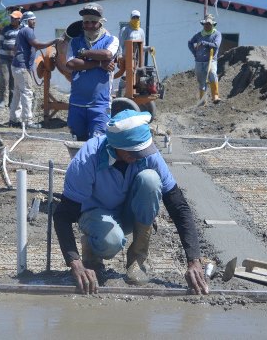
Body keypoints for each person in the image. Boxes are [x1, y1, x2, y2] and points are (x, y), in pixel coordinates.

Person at [53, 109, 209, 295]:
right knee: (111, 242)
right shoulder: (87, 160)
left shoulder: (148, 155)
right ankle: (92, 256)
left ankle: (137, 261)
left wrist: (194, 261)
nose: (142, 156)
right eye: (135, 152)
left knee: (150, 179)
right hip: (95, 215)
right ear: (116, 147)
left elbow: (179, 206)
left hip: (129, 214)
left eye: (144, 150)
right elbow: (62, 216)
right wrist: (75, 264)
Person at [65, 3, 119, 141]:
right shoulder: (75, 42)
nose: (89, 25)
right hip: (77, 103)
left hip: (100, 104)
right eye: (86, 22)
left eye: (93, 22)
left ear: (100, 23)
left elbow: (107, 55)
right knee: (79, 143)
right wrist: (99, 64)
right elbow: (71, 63)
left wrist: (83, 53)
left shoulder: (111, 40)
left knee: (98, 144)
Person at [9, 11, 60, 129]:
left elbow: (16, 48)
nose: (35, 21)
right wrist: (53, 41)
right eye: (32, 19)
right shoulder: (27, 30)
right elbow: (36, 44)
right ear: (27, 21)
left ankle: (13, 119)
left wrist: (30, 51)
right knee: (27, 93)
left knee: (17, 93)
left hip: (16, 66)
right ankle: (28, 121)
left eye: (35, 19)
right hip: (22, 67)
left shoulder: (21, 31)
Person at [188, 14, 222, 104]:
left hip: (211, 60)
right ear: (203, 25)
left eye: (209, 24)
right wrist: (194, 53)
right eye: (206, 24)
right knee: (201, 80)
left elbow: (216, 45)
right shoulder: (199, 35)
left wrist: (204, 43)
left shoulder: (217, 34)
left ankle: (215, 96)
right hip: (199, 61)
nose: (207, 26)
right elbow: (190, 42)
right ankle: (202, 100)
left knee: (212, 74)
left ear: (213, 25)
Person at [117, 10, 146, 97]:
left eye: (137, 17)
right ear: (131, 18)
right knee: (126, 75)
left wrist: (149, 49)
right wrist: (120, 55)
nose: (135, 19)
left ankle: (134, 92)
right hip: (126, 56)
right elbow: (120, 44)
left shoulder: (141, 31)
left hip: (137, 58)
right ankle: (121, 93)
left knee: (137, 75)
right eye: (134, 17)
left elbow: (142, 46)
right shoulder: (125, 29)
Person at [0, 10, 23, 108]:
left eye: (14, 18)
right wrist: (6, 49)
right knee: (4, 79)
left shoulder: (22, 30)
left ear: (19, 20)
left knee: (14, 80)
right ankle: (3, 100)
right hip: (4, 58)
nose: (12, 19)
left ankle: (12, 101)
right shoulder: (5, 29)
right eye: (11, 18)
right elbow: (1, 42)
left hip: (16, 59)